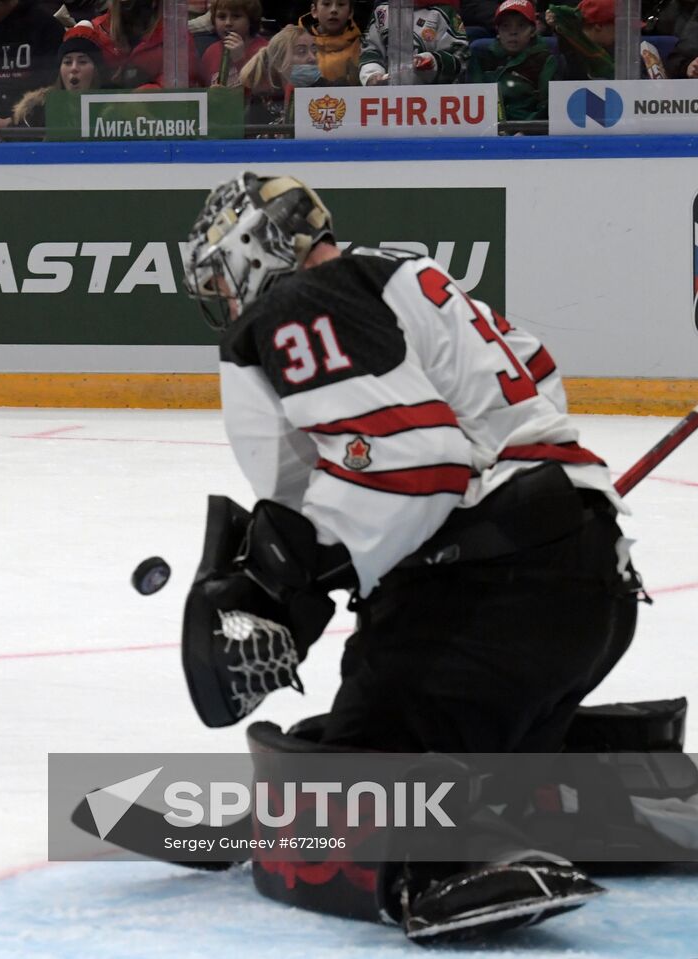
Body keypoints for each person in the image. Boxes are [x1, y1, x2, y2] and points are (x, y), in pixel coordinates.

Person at [178, 172, 641, 939]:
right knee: (416, 722)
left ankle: (430, 855)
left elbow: (416, 465)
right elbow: (537, 389)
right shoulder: (403, 276)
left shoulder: (303, 301)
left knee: (362, 759)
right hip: (589, 581)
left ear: (258, 248)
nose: (229, 300)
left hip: (492, 600)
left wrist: (299, 564)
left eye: (225, 276)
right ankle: (607, 786)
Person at [468, 0, 559, 122]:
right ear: (498, 31)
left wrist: (525, 131)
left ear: (532, 31)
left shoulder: (545, 58)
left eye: (521, 25)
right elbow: (474, 101)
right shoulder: (482, 56)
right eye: (506, 26)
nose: (513, 32)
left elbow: (548, 106)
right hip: (488, 130)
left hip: (530, 131)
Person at [10, 22, 112, 126]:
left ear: (96, 70)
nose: (74, 68)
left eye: (82, 62)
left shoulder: (113, 111)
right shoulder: (37, 112)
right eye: (67, 62)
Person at [91, 0, 201, 87]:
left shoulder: (175, 34)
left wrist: (137, 96)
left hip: (157, 112)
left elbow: (177, 87)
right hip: (104, 111)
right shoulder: (96, 29)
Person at [360, 0, 470, 84]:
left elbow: (460, 55)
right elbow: (371, 50)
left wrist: (432, 61)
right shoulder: (382, 11)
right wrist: (372, 75)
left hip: (435, 97)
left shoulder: (443, 11)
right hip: (387, 97)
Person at [237, 23, 311, 128]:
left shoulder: (325, 91)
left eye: (314, 51)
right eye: (301, 52)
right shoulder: (258, 107)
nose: (312, 58)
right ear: (279, 61)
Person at [193, 0, 269, 87]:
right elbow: (202, 90)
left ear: (251, 20)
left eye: (236, 16)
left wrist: (240, 60)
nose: (228, 23)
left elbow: (266, 92)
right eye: (222, 17)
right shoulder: (210, 52)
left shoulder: (264, 50)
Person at [295, 0, 359, 85]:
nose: (334, 10)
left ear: (350, 12)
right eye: (326, 4)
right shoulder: (292, 44)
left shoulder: (362, 47)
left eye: (341, 4)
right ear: (314, 11)